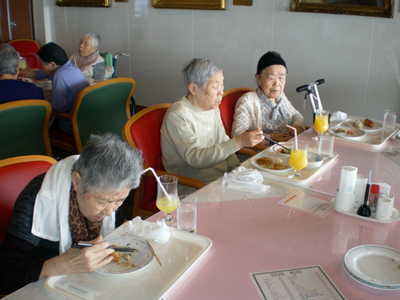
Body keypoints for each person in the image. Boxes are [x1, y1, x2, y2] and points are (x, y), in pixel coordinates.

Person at [0, 133, 143, 295]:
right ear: (76, 182)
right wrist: (58, 265)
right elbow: (4, 274)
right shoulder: (38, 201)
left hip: (86, 283)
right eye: (102, 202)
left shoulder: (112, 189)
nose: (110, 211)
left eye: (119, 201)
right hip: (42, 286)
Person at [161, 58, 264, 194]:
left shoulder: (212, 108)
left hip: (221, 179)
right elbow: (196, 158)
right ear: (193, 88)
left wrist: (237, 169)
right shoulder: (178, 115)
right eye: (215, 86)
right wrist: (239, 142)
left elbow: (223, 140)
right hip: (194, 185)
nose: (221, 92)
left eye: (222, 85)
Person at [232, 51, 305, 145]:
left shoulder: (281, 97)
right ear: (258, 79)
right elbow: (237, 134)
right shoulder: (247, 101)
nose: (277, 83)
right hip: (261, 154)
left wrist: (297, 126)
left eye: (281, 78)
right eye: (271, 78)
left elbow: (296, 115)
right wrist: (270, 138)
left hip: (287, 149)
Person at [35, 42, 90, 133]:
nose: (41, 67)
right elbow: (48, 73)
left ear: (52, 64)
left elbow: (58, 109)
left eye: (41, 64)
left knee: (39, 121)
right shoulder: (72, 67)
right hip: (84, 121)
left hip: (70, 125)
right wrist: (33, 74)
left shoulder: (59, 76)